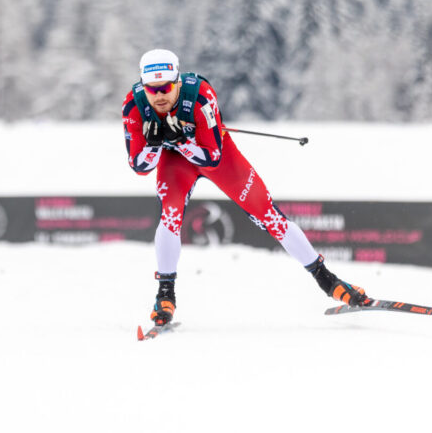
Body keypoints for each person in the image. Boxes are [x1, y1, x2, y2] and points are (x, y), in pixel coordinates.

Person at [122, 49, 368, 326]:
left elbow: (212, 157)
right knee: (170, 214)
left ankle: (327, 280)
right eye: (152, 89)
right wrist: (155, 146)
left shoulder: (200, 95)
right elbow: (139, 166)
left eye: (166, 87)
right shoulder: (133, 105)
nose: (160, 95)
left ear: (178, 82)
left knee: (268, 214)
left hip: (214, 154)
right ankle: (165, 294)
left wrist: (180, 141)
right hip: (175, 163)